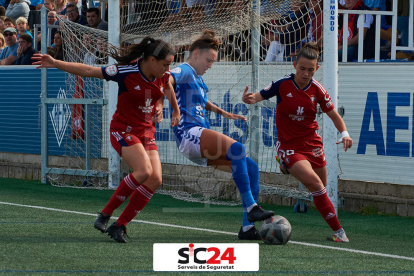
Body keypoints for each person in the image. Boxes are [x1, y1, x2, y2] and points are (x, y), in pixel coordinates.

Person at [32, 37, 180, 243]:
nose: (168, 69)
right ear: (152, 60)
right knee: (144, 171)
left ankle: (119, 226)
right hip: (123, 130)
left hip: (147, 132)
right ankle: (105, 214)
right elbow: (89, 71)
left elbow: (168, 86)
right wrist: (56, 63)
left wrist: (170, 108)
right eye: (166, 64)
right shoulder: (126, 72)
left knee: (155, 179)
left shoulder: (163, 74)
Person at [167, 29, 275, 240]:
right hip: (188, 133)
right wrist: (175, 110)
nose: (210, 65)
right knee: (237, 148)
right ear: (196, 53)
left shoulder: (196, 77)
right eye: (209, 60)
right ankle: (252, 207)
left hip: (197, 137)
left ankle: (246, 228)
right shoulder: (185, 70)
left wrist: (222, 112)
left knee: (251, 167)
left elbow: (200, 101)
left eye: (213, 61)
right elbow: (166, 80)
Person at [242, 43, 353, 243]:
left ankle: (288, 166)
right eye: (302, 68)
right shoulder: (282, 84)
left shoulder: (318, 90)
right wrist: (249, 98)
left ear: (316, 69)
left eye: (310, 70)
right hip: (288, 145)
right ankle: (339, 232)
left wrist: (344, 133)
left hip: (312, 144)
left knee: (321, 188)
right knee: (317, 185)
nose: (305, 73)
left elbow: (334, 115)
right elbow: (257, 97)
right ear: (294, 65)